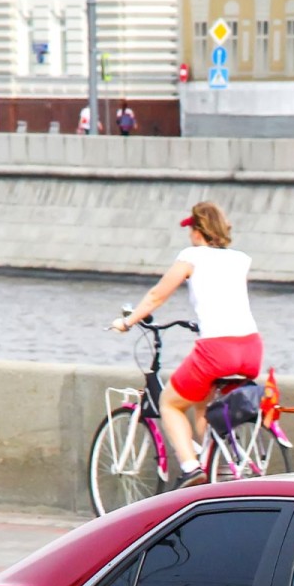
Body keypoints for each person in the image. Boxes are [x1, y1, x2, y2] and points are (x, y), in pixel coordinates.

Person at [111, 203, 262, 490]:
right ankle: (215, 463)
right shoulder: (241, 259)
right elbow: (225, 297)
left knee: (170, 403)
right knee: (202, 400)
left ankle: (191, 468)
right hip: (251, 348)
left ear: (199, 230)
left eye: (191, 229)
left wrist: (128, 322)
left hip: (218, 349)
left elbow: (157, 296)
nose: (189, 235)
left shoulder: (190, 256)